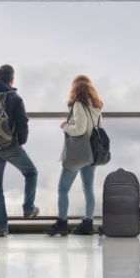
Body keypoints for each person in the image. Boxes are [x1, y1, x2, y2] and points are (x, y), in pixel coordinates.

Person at [0, 64, 38, 237]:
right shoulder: (14, 97)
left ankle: (1, 228)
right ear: (12, 79)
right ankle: (28, 208)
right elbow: (22, 123)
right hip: (9, 146)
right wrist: (20, 142)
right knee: (31, 172)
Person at [47, 75, 103, 236]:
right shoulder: (97, 107)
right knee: (88, 189)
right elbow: (97, 128)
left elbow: (79, 129)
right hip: (92, 154)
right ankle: (87, 223)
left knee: (63, 189)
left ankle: (62, 223)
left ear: (75, 89)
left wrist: (65, 126)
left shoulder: (79, 105)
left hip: (78, 155)